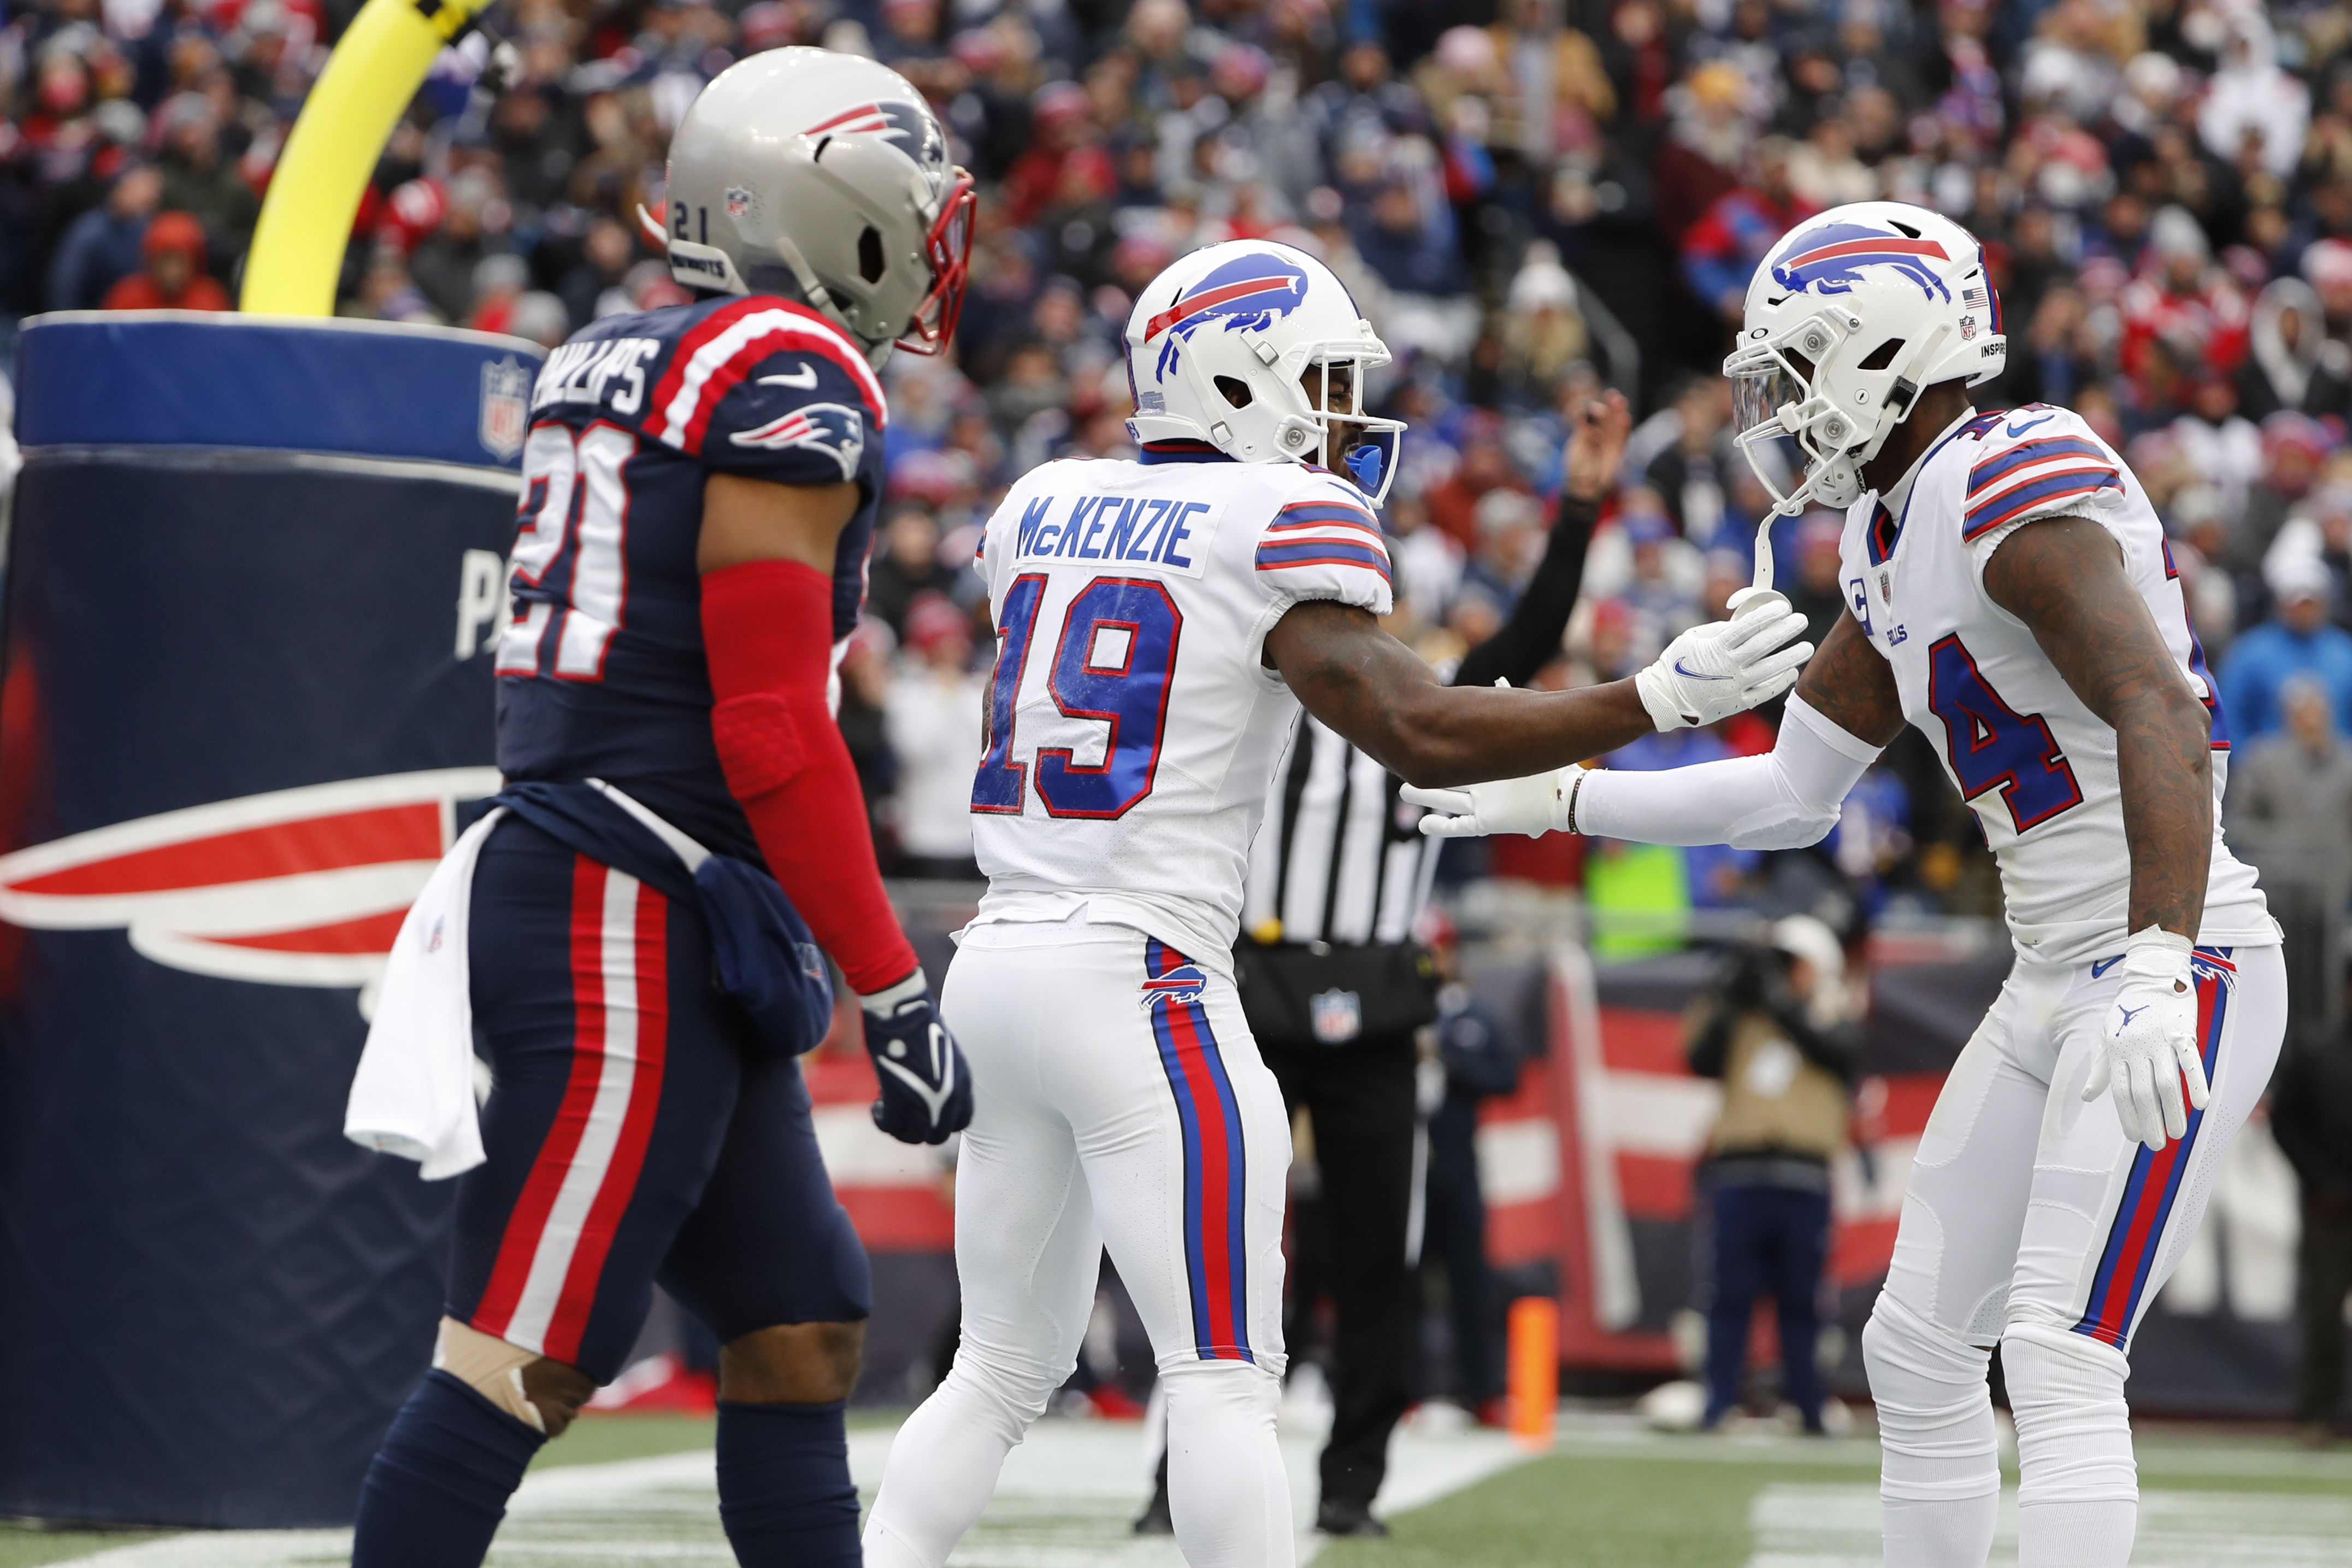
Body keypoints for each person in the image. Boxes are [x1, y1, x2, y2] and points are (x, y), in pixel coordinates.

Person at [858, 237, 1813, 1568]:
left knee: (1002, 1368)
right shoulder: (1276, 524)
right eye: (1314, 379)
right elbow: (1416, 725)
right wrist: (1655, 699)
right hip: (1139, 975)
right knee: (1223, 1376)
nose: (1336, 414)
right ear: (1235, 379)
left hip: (999, 961)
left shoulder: (1042, 504)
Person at [1411, 200, 2286, 1568]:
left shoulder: (2008, 479)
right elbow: (1789, 794)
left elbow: (2159, 712)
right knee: (1918, 1343)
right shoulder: (1889, 533)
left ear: (1889, 345)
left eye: (1802, 364)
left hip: (2180, 958)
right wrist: (1563, 794)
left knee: (2059, 1352)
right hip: (2055, 969)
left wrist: (2164, 964)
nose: (1781, 403)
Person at [345, 50, 978, 1568]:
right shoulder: (787, 371)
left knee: (802, 1321)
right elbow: (766, 724)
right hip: (622, 903)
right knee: (523, 1356)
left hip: (650, 888)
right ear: (827, 211)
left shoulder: (617, 352)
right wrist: (890, 981)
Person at [1204, 387, 1626, 1540]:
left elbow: (1528, 641)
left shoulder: (1418, 712)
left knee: (1374, 1250)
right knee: (1211, 1242)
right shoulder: (1260, 686)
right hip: (1250, 986)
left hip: (1379, 997)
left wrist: (1580, 504)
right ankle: (1175, 1468)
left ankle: (1353, 1479)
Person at [1684, 916, 1857, 1433]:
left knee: (1800, 1302)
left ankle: (1808, 1406)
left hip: (1803, 1177)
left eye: (1792, 963)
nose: (1782, 975)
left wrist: (1781, 1002)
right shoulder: (1742, 1016)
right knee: (1728, 1295)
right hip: (1739, 1173)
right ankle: (1716, 1403)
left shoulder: (1833, 1012)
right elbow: (1699, 1057)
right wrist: (1731, 991)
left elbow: (1838, 1051)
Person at [2225, 674, 2352, 1035]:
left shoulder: (2346, 764)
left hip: (2331, 897)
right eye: (2302, 711)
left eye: (2317, 710)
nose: (2311, 719)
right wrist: (2289, 845)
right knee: (2279, 982)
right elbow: (2238, 825)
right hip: (2278, 896)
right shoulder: (2262, 761)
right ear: (2287, 715)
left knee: (2325, 983)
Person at [2270, 1004, 2352, 1447]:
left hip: (2330, 1198)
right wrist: (2318, 1178)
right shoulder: (2319, 1053)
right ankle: (2317, 1416)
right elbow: (2285, 1123)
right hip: (2329, 1208)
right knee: (2323, 1310)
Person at [2220, 554, 2352, 742]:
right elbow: (2231, 714)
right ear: (2281, 604)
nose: (2305, 612)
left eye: (2311, 604)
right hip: (2268, 768)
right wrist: (2247, 766)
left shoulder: (2345, 653)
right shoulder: (2250, 653)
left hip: (2338, 767)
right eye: (2298, 604)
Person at [99, 210, 231, 311]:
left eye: (180, 262)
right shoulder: (126, 298)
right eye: (165, 261)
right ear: (151, 261)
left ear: (194, 262)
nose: (172, 271)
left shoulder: (210, 299)